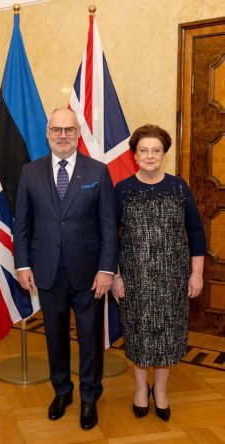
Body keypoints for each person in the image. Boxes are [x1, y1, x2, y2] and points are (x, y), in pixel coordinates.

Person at [13, 108, 118, 430]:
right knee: (55, 337)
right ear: (48, 133)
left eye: (69, 130)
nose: (62, 136)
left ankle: (89, 396)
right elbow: (22, 223)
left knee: (89, 338)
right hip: (46, 271)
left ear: (78, 133)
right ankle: (62, 391)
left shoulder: (97, 171)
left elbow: (108, 226)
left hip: (89, 273)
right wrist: (22, 264)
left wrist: (106, 270)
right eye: (57, 130)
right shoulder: (30, 171)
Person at [111, 124, 206, 421]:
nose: (150, 155)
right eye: (144, 150)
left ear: (164, 154)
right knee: (138, 335)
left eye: (156, 150)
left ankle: (161, 391)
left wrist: (196, 274)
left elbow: (196, 233)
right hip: (134, 279)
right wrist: (116, 276)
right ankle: (141, 389)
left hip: (173, 279)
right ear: (135, 155)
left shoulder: (179, 187)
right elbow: (111, 237)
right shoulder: (123, 189)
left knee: (168, 337)